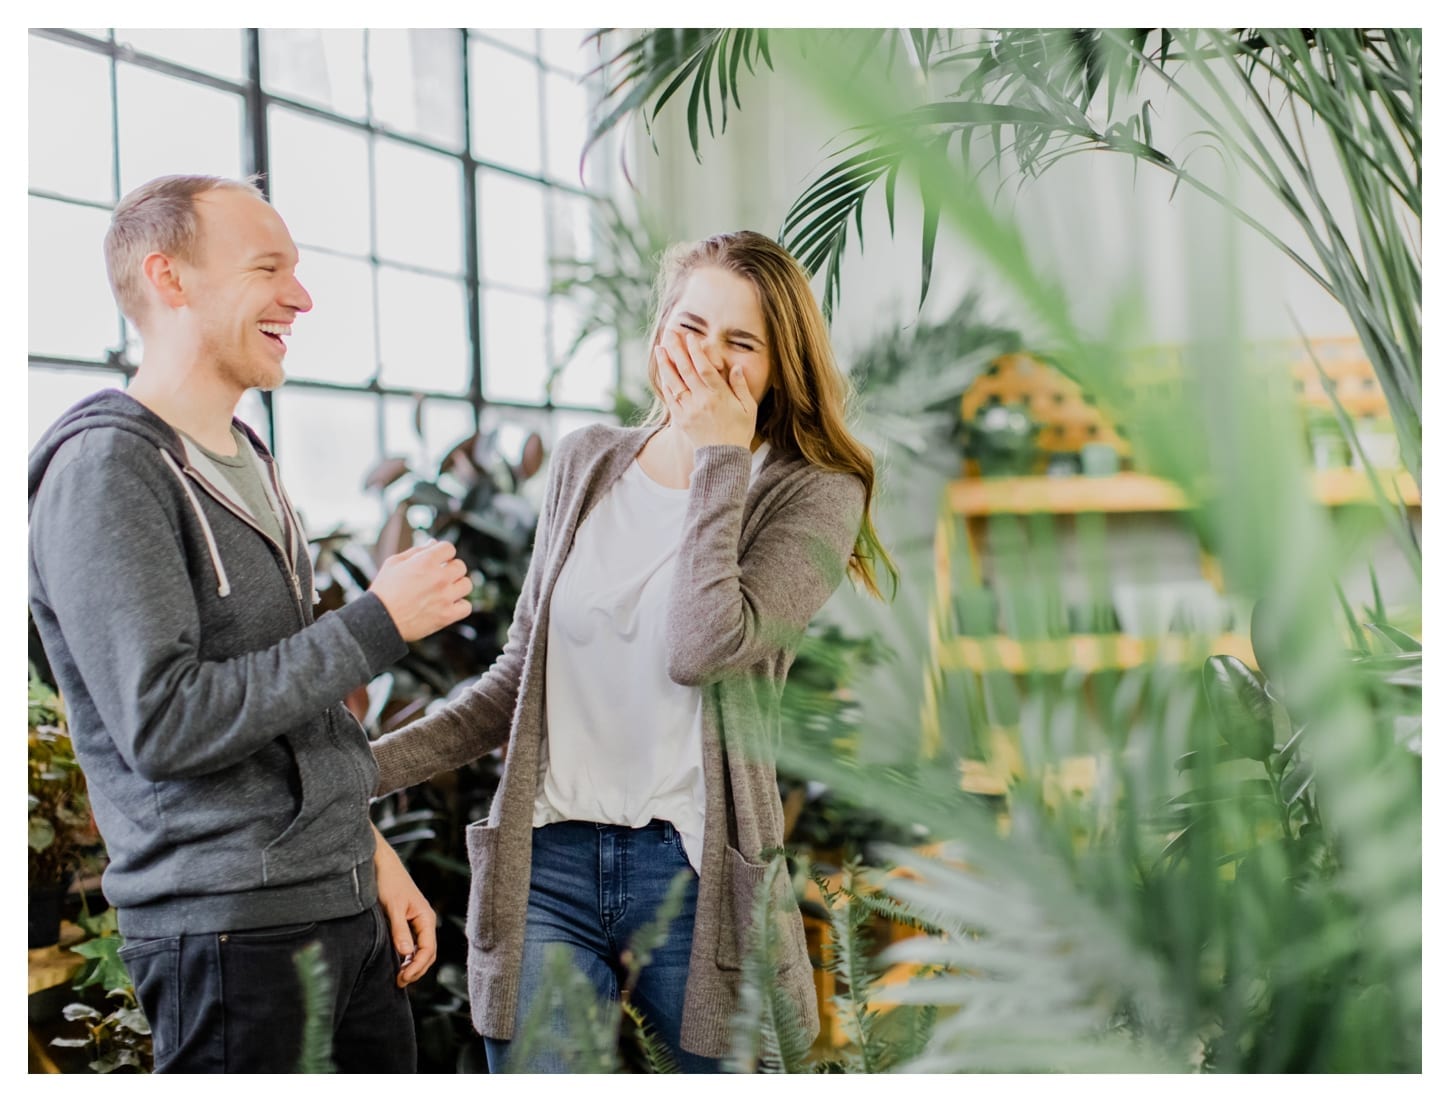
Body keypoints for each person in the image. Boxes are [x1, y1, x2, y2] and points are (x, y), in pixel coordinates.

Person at [369, 230, 896, 1072]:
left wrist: (720, 456)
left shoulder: (815, 491)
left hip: (693, 874)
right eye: (691, 328)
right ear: (659, 335)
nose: (708, 358)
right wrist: (353, 774)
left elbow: (703, 645)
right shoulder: (589, 462)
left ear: (779, 362)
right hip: (546, 864)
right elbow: (517, 682)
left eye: (741, 343)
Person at [27, 174, 473, 1073]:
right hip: (231, 934)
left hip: (337, 908)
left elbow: (289, 707)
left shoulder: (246, 458)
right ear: (170, 278)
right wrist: (378, 622)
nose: (301, 297)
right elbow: (165, 721)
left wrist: (368, 853)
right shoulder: (107, 472)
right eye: (269, 268)